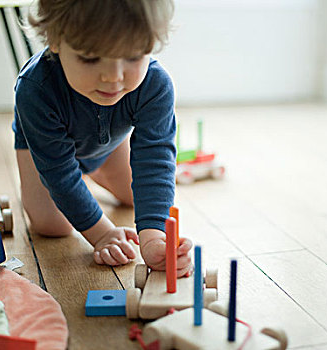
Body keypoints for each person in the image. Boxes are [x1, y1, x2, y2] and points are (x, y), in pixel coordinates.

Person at [12, 0, 192, 277]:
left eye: (132, 56)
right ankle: (85, 179)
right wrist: (102, 233)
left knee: (136, 198)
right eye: (91, 58)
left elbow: (155, 160)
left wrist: (154, 238)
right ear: (55, 40)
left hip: (106, 143)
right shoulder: (34, 88)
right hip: (44, 154)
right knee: (53, 226)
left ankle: (96, 172)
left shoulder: (156, 84)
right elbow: (57, 172)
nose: (113, 77)